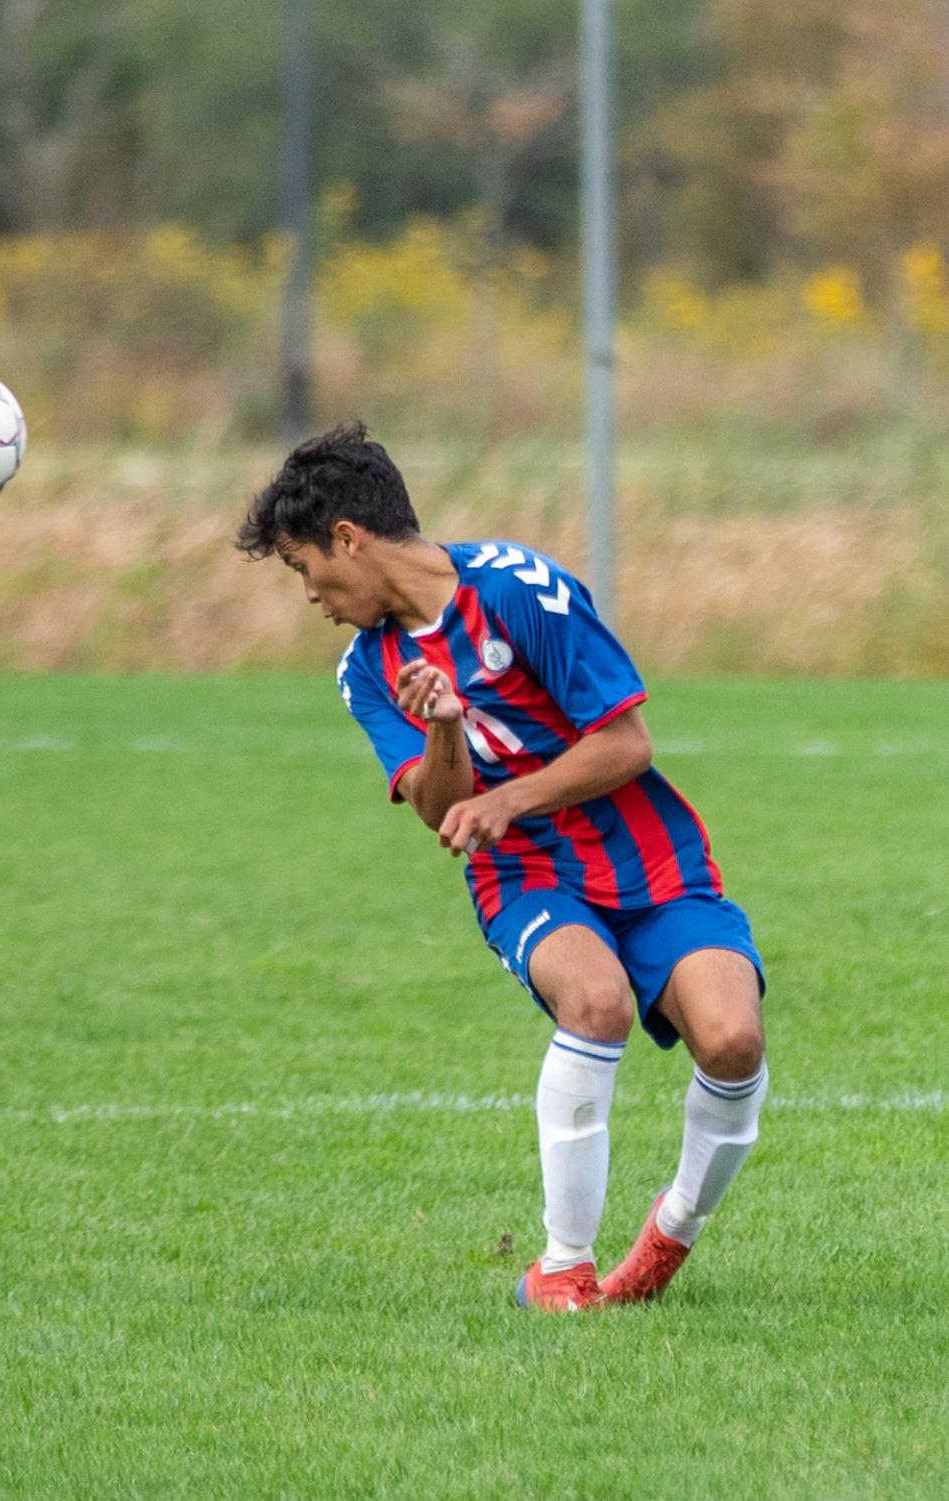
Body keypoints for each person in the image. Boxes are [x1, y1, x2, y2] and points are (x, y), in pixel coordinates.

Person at [236, 422, 768, 1312]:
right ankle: (560, 1267)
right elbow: (444, 813)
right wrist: (445, 725)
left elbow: (627, 744)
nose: (310, 596)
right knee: (593, 1000)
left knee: (732, 1039)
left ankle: (670, 1231)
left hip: (653, 861)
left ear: (347, 539)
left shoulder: (522, 591)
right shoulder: (367, 671)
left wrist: (509, 797)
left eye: (301, 568)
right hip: (524, 874)